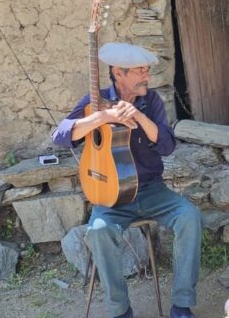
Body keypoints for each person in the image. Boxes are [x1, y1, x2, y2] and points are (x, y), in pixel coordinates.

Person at [52, 42, 201, 318]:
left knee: (189, 216)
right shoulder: (94, 102)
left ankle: (181, 305)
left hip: (152, 190)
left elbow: (167, 146)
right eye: (139, 71)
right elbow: (60, 136)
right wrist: (101, 117)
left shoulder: (151, 100)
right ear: (118, 73)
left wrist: (140, 116)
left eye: (146, 70)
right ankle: (120, 310)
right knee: (98, 230)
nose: (146, 76)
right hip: (111, 197)